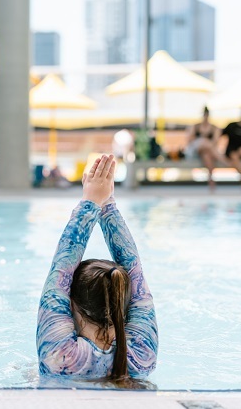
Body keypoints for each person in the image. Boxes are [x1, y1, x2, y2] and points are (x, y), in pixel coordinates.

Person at [37, 154, 158, 384]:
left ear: (70, 303)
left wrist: (93, 202)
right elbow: (135, 271)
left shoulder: (61, 357)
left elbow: (60, 272)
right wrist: (105, 204)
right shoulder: (142, 355)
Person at [185, 107, 223, 191]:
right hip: (196, 152)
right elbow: (190, 140)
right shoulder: (195, 127)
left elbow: (215, 142)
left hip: (207, 153)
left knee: (206, 155)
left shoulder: (213, 128)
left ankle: (211, 179)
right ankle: (222, 159)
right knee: (204, 144)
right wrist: (203, 140)